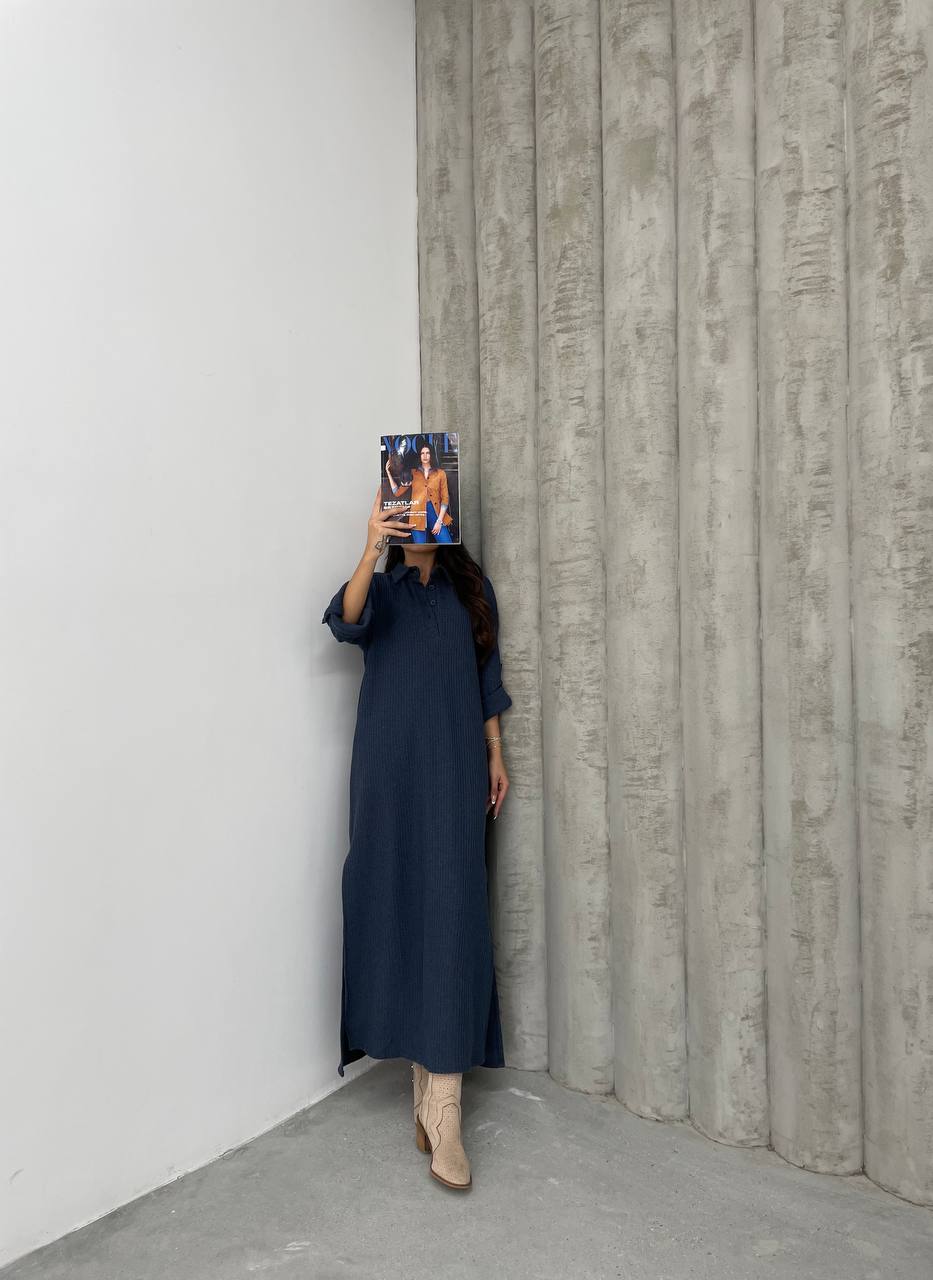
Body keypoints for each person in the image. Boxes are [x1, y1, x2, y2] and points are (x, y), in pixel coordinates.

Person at [321, 487, 513, 1191]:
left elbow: (486, 674)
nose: (419, 517)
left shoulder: (470, 587)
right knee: (397, 902)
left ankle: (446, 1107)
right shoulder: (382, 587)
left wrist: (495, 752)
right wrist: (374, 544)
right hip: (390, 770)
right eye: (405, 506)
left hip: (456, 766)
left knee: (453, 914)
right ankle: (424, 1083)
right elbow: (344, 623)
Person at [384, 440, 456, 543]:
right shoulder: (413, 473)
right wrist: (388, 473)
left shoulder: (440, 473)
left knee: (447, 543)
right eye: (422, 453)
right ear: (419, 455)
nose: (425, 456)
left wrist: (439, 521)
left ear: (431, 455)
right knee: (419, 547)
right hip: (417, 515)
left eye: (427, 453)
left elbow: (445, 498)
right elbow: (397, 493)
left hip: (436, 513)